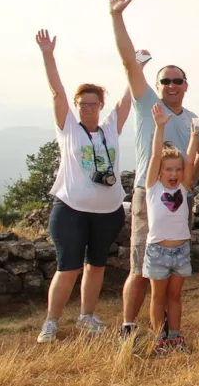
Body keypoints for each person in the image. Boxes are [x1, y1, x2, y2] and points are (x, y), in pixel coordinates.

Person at [107, 0, 199, 339]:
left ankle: (166, 330)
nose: (170, 85)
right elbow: (126, 62)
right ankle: (129, 326)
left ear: (186, 85)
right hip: (145, 194)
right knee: (140, 267)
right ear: (157, 84)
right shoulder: (146, 103)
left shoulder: (192, 117)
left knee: (171, 271)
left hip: (179, 197)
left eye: (177, 81)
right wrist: (116, 17)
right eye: (165, 80)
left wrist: (194, 175)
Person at [35, 29, 132, 343]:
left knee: (96, 265)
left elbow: (130, 94)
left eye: (93, 104)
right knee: (69, 267)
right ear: (76, 105)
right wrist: (48, 54)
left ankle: (86, 316)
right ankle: (51, 322)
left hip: (108, 212)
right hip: (72, 211)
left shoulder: (110, 128)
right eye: (82, 104)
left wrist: (136, 66)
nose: (87, 108)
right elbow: (55, 93)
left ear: (101, 105)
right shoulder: (69, 130)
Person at [143, 104, 199, 354]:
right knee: (158, 296)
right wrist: (160, 127)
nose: (174, 173)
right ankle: (159, 339)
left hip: (180, 250)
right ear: (159, 172)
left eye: (177, 169)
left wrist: (195, 136)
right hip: (157, 251)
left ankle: (175, 336)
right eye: (168, 169)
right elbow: (156, 155)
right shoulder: (153, 188)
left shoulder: (182, 188)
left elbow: (189, 161)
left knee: (175, 296)